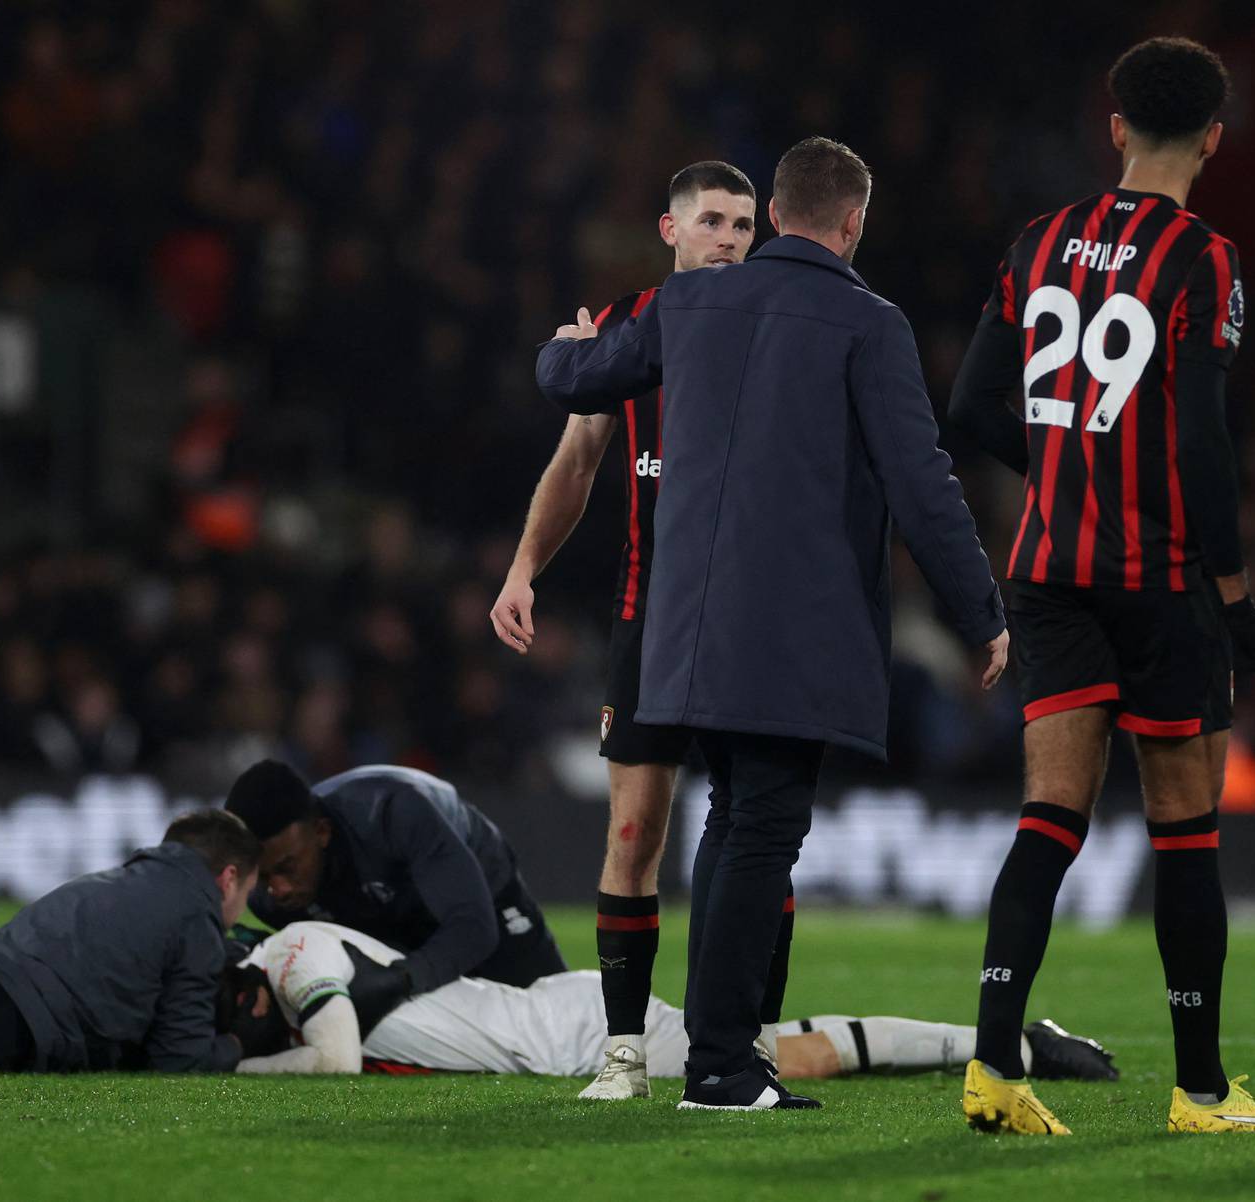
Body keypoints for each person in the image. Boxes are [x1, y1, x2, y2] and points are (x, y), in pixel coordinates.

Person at [535, 136, 1009, 1112]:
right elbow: (923, 486)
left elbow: (572, 380)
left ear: (777, 213)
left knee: (730, 829)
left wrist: (563, 346)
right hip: (792, 634)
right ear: (852, 222)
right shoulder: (867, 323)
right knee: (758, 833)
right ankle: (719, 1064)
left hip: (684, 630)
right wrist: (980, 611)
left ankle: (721, 1053)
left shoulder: (684, 303)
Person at [946, 36, 1255, 1139]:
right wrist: (1235, 601)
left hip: (1047, 571)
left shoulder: (1037, 239)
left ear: (1113, 128)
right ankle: (1200, 1091)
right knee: (1184, 828)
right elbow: (1200, 441)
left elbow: (969, 412)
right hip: (1160, 578)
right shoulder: (1203, 257)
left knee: (1050, 816)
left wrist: (1062, 465)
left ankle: (994, 1065)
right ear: (1213, 140)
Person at [489, 161, 798, 1101]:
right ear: (671, 232)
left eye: (745, 225)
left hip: (752, 623)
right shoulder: (631, 331)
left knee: (758, 834)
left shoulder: (780, 326)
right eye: (713, 221)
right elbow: (578, 461)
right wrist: (521, 569)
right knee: (634, 830)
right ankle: (623, 1053)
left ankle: (756, 1042)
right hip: (651, 620)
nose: (731, 240)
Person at [228, 919, 1117, 1086]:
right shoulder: (285, 958)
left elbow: (336, 1059)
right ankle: (1011, 1039)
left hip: (571, 1034)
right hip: (555, 1025)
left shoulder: (293, 950)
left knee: (788, 1052)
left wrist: (235, 1064)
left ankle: (1016, 1043)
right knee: (779, 1042)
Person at [0, 809, 259, 1072]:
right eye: (247, 893)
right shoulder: (197, 916)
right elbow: (180, 1059)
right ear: (229, 879)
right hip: (6, 1017)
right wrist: (239, 1044)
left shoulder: (116, 881)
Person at [224, 761, 565, 1022]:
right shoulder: (266, 899)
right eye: (264, 875)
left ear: (322, 832)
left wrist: (400, 979)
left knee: (554, 1013)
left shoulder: (393, 813)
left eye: (287, 867)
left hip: (481, 890)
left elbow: (473, 928)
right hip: (384, 913)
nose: (278, 889)